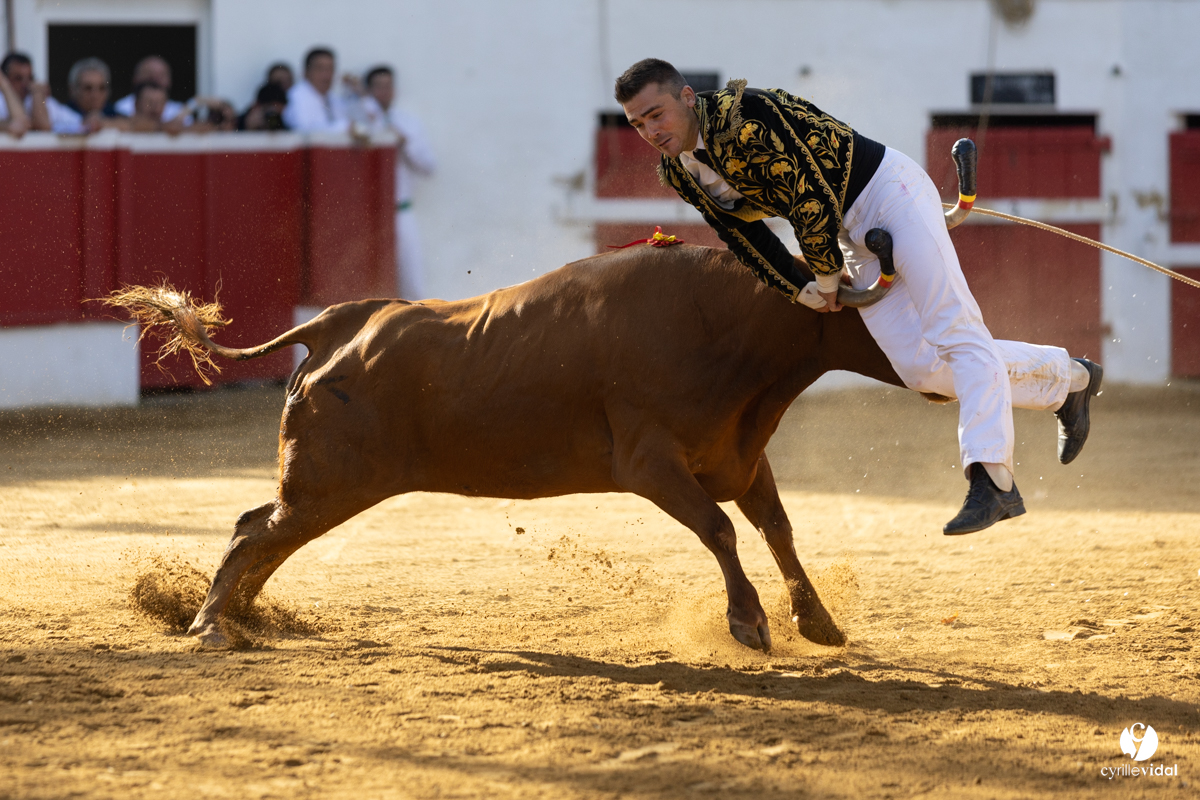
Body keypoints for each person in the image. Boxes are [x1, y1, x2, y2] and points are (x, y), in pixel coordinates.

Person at [615, 58, 1103, 535]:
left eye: (656, 114)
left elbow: (810, 198)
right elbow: (741, 233)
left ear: (685, 96)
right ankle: (1070, 381)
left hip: (890, 195)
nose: (650, 131)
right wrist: (798, 286)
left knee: (955, 330)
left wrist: (825, 278)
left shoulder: (747, 113)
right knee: (921, 368)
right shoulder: (680, 170)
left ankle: (992, 476)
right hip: (852, 236)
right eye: (637, 123)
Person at [357, 65, 436, 298]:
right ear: (370, 91)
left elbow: (430, 167)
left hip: (400, 211)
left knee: (412, 281)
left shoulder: (408, 124)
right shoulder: (358, 123)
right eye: (378, 86)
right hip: (365, 216)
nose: (384, 91)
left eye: (388, 86)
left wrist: (404, 143)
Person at [283, 47, 349, 133]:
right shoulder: (296, 96)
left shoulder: (333, 98)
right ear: (306, 72)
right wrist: (343, 127)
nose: (326, 75)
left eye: (330, 69)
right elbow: (304, 130)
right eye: (320, 69)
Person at [55, 58, 125, 134]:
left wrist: (103, 123)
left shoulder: (113, 113)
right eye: (88, 88)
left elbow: (134, 124)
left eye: (101, 88)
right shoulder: (60, 114)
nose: (95, 95)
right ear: (72, 90)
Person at [112, 55, 188, 122]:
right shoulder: (119, 108)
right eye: (149, 74)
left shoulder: (180, 111)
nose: (156, 80)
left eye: (161, 75)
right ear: (136, 104)